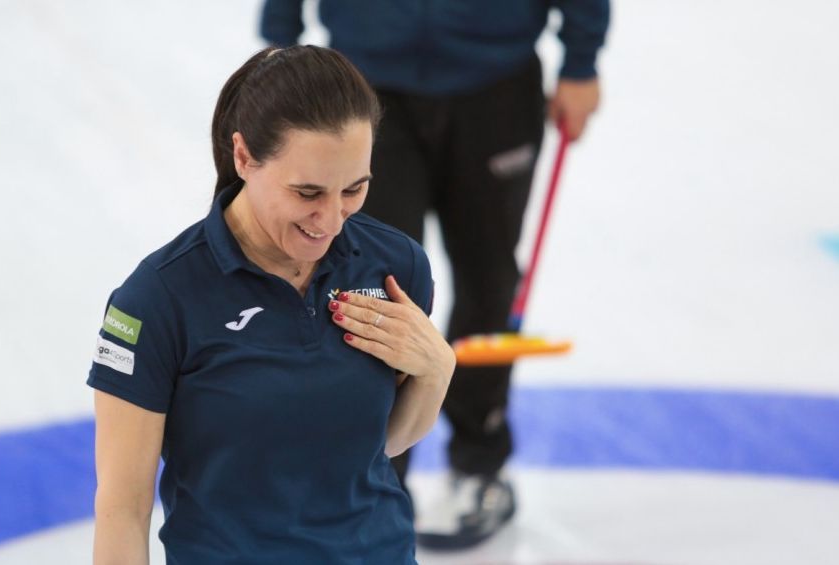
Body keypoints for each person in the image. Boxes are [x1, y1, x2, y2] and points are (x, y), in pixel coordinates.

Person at [260, 0, 610, 550]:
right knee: (372, 286)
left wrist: (581, 61)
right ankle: (377, 474)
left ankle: (479, 460)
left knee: (489, 277)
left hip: (495, 82)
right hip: (364, 88)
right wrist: (279, 49)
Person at [87, 45, 456, 564]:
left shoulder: (396, 267)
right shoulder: (157, 298)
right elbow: (123, 509)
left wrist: (437, 371)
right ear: (243, 157)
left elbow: (383, 446)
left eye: (354, 189)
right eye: (307, 192)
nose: (330, 220)